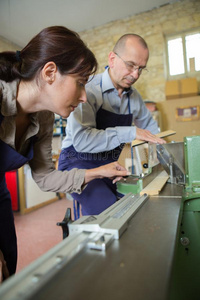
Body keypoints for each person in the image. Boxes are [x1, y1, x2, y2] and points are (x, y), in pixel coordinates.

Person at [0, 26, 130, 280]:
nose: (84, 97)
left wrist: (99, 172)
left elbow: (46, 177)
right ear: (49, 72)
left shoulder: (45, 117)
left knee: (7, 266)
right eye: (80, 83)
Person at [58, 33, 166, 216]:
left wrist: (167, 153)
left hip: (109, 166)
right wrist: (130, 132)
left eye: (141, 69)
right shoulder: (88, 89)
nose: (135, 75)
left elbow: (151, 130)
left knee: (130, 202)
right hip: (77, 164)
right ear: (112, 58)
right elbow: (82, 140)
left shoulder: (134, 98)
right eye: (131, 65)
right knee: (105, 207)